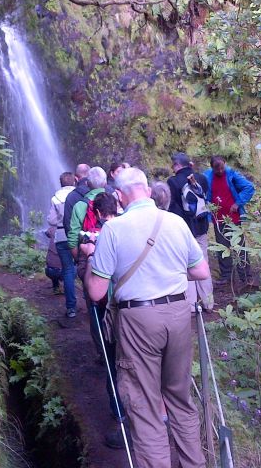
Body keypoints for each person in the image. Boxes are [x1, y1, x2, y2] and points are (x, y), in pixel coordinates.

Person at [84, 167, 209, 468]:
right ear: (148, 191)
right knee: (180, 398)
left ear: (119, 196)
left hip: (138, 319)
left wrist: (91, 257)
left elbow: (97, 291)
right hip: (178, 315)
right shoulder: (176, 222)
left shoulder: (113, 230)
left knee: (145, 403)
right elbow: (201, 271)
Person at [77, 192, 126, 448]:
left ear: (95, 213)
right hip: (132, 308)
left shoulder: (97, 235)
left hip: (108, 308)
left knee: (112, 364)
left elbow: (92, 289)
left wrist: (88, 255)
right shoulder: (127, 228)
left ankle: (121, 417)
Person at [166, 152, 213, 311]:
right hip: (201, 227)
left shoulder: (173, 182)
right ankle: (208, 302)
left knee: (187, 266)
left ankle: (192, 305)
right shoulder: (202, 178)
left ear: (178, 165)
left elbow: (173, 208)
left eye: (173, 165)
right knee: (203, 262)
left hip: (184, 231)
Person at [203, 156, 256, 287]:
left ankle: (246, 277)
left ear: (225, 164)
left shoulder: (232, 174)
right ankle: (226, 276)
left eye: (222, 167)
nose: (220, 171)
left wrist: (238, 203)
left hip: (234, 218)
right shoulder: (207, 176)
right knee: (222, 247)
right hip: (218, 218)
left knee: (239, 246)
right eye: (217, 169)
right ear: (212, 168)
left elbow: (249, 187)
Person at [67, 166, 107, 319]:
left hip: (87, 252)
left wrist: (78, 257)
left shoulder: (80, 205)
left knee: (92, 299)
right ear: (104, 183)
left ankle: (99, 336)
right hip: (112, 253)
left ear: (88, 183)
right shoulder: (114, 200)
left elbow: (73, 237)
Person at [47, 172, 77, 312]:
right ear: (74, 182)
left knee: (68, 270)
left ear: (61, 183)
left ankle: (71, 308)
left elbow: (51, 220)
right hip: (78, 235)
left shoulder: (56, 198)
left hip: (61, 235)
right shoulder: (78, 196)